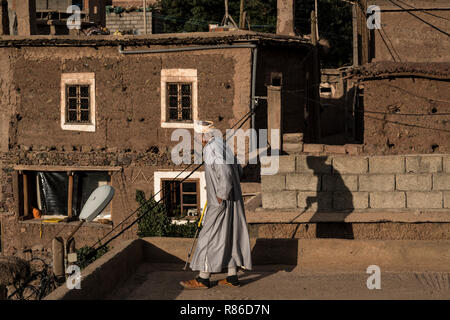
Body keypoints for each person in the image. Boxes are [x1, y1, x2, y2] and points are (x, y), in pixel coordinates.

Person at [179, 120, 252, 289]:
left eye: (196, 134)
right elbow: (238, 169)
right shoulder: (222, 144)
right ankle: (232, 277)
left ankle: (203, 278)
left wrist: (220, 194)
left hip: (221, 201)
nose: (195, 137)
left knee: (208, 236)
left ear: (203, 135)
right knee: (231, 235)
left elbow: (225, 172)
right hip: (233, 200)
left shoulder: (211, 148)